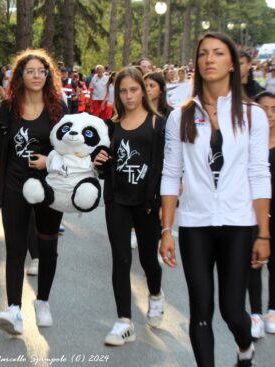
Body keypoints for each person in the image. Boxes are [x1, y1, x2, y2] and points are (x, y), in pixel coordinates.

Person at [160, 32, 271, 367]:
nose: (209, 59)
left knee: (234, 312)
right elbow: (170, 174)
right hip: (195, 223)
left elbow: (259, 175)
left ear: (233, 65)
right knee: (201, 312)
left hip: (239, 224)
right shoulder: (180, 116)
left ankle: (244, 346)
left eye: (218, 53)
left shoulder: (253, 115)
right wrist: (166, 229)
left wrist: (263, 234)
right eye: (203, 53)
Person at [0, 48, 67, 335]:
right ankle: (14, 309)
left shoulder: (58, 108)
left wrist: (49, 161)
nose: (36, 75)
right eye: (30, 71)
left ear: (48, 75)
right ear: (20, 75)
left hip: (48, 188)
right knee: (15, 249)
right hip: (14, 186)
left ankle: (42, 301)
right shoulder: (8, 109)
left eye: (41, 71)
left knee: (47, 249)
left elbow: (71, 152)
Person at [94, 67, 165, 346]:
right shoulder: (111, 125)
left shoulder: (157, 123)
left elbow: (161, 166)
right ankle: (124, 321)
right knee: (121, 258)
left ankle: (156, 294)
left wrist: (157, 202)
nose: (129, 95)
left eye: (133, 89)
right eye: (123, 91)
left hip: (146, 203)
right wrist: (100, 160)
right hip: (117, 200)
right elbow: (105, 163)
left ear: (143, 91)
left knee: (148, 259)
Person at [247, 91, 275, 339]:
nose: (269, 114)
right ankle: (255, 313)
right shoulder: (248, 143)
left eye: (274, 109)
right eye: (263, 108)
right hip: (254, 210)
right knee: (253, 262)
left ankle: (272, 310)